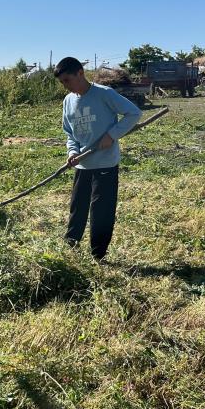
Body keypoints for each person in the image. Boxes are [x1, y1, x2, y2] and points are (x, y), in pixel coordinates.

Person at [55, 57, 141, 261]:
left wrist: (112, 135)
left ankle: (98, 255)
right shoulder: (68, 101)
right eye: (62, 83)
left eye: (68, 80)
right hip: (82, 164)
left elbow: (133, 113)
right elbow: (70, 133)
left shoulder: (103, 94)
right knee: (77, 208)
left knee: (101, 211)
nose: (66, 86)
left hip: (105, 163)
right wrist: (72, 152)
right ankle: (70, 246)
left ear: (80, 73)